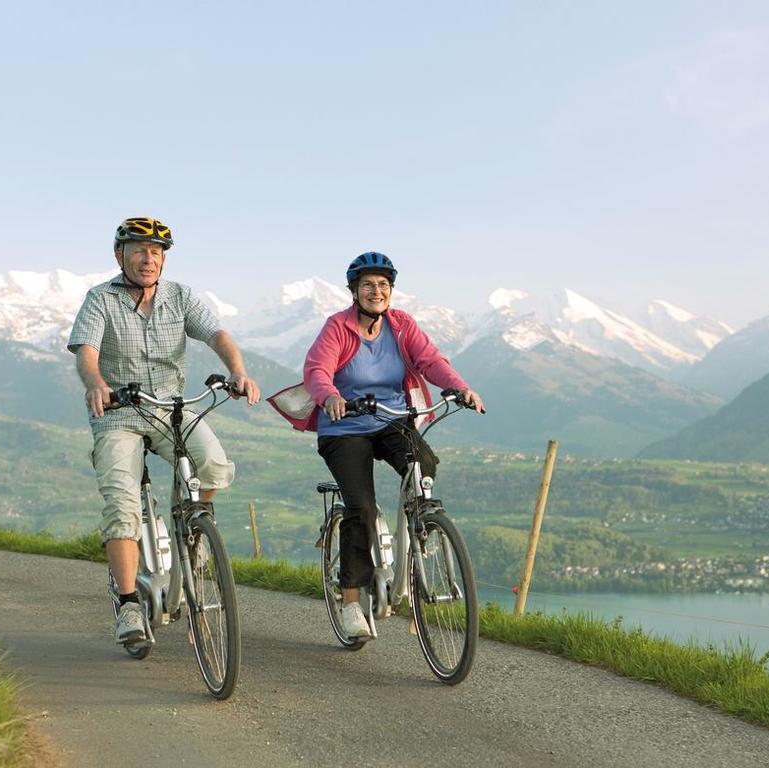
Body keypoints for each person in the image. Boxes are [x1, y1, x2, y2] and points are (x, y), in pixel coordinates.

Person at [269, 252, 483, 638]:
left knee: (423, 468)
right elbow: (317, 369)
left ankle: (418, 529)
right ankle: (352, 601)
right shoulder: (338, 326)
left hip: (391, 419)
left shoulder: (401, 326)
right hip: (344, 427)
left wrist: (459, 387)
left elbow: (430, 360)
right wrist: (330, 396)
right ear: (354, 290)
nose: (376, 291)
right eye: (368, 284)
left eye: (383, 285)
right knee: (361, 509)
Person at [68, 216, 260, 646]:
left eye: (156, 252)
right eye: (138, 250)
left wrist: (238, 371)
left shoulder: (180, 297)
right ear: (120, 256)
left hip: (171, 409)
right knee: (122, 506)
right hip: (119, 414)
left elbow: (218, 334)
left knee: (213, 464)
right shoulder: (100, 299)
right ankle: (128, 603)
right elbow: (87, 351)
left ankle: (194, 536)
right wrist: (97, 384)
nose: (148, 258)